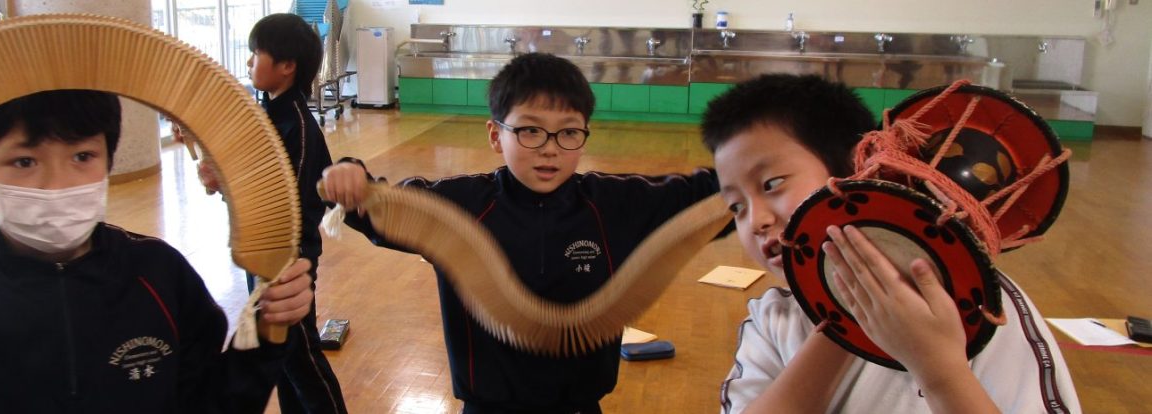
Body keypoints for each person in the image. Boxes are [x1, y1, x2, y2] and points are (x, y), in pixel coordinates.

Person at [0, 89, 315, 414]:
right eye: (24, 162)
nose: (58, 185)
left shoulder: (159, 273)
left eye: (82, 156)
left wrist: (267, 335)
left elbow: (212, 401)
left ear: (108, 159)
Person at [320, 52, 721, 413]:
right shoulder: (461, 205)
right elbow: (379, 206)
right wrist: (351, 173)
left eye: (569, 132)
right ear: (496, 135)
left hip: (579, 407)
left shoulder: (614, 205)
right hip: (487, 406)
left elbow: (713, 196)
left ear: (585, 136)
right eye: (530, 130)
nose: (550, 148)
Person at [701, 74, 1081, 413]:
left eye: (772, 184)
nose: (756, 220)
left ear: (858, 171)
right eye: (736, 207)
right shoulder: (773, 319)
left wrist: (940, 372)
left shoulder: (986, 308)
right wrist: (847, 317)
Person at [180, 13, 347, 414]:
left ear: (287, 66)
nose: (249, 62)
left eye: (256, 54)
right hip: (261, 251)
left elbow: (291, 205)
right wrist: (218, 176)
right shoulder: (267, 115)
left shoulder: (298, 128)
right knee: (284, 359)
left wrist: (231, 184)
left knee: (301, 357)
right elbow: (252, 189)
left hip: (287, 260)